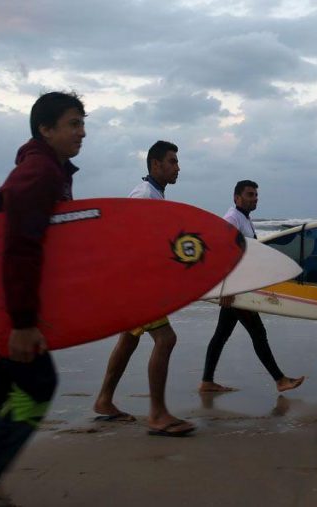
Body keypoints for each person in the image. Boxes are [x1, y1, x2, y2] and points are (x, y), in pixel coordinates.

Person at [0, 91, 85, 507]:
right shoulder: (39, 172)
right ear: (45, 130)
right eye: (72, 124)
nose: (81, 132)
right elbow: (21, 246)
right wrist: (24, 321)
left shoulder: (48, 168)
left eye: (82, 123)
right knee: (38, 384)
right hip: (7, 305)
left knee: (0, 397)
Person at [92, 141, 195, 437]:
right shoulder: (144, 195)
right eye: (172, 161)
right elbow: (128, 243)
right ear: (155, 165)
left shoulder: (155, 194)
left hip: (137, 284)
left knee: (129, 339)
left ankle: (104, 400)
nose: (177, 167)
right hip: (137, 286)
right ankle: (158, 414)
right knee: (166, 339)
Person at [199, 180, 306, 394]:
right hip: (236, 289)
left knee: (221, 334)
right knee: (258, 332)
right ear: (237, 197)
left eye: (256, 194)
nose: (254, 198)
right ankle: (280, 379)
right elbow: (221, 255)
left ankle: (206, 382)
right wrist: (227, 288)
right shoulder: (231, 219)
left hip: (242, 287)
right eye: (250, 194)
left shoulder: (244, 218)